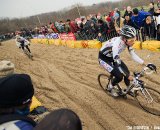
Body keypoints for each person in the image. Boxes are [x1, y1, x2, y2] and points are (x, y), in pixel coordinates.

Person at [98, 25, 156, 96]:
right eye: (131, 40)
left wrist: (146, 64)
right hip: (104, 59)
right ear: (124, 39)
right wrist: (129, 77)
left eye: (134, 39)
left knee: (127, 72)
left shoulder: (127, 41)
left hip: (113, 57)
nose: (133, 42)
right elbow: (118, 65)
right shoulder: (116, 45)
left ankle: (129, 88)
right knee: (119, 76)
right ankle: (110, 87)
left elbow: (133, 55)